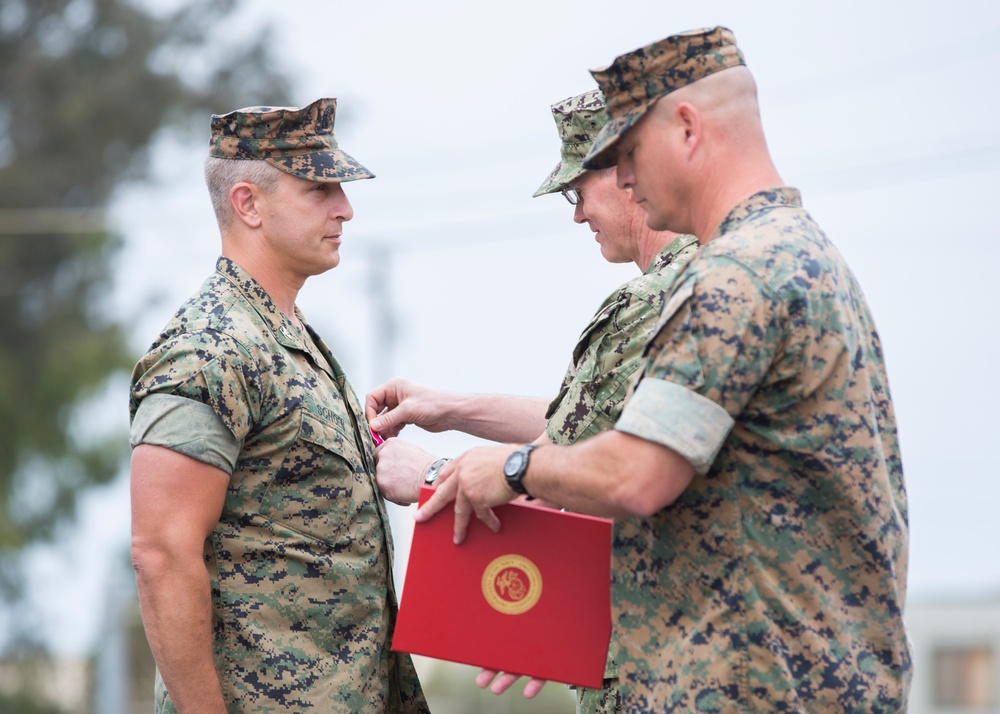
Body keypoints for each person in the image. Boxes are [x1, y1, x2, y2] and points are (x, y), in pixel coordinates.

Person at [411, 27, 912, 712]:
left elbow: (636, 474)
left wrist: (509, 469)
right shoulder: (796, 253)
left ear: (686, 128)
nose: (620, 180)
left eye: (628, 153)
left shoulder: (737, 275)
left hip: (750, 688)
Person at [367, 89, 698, 713]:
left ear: (626, 175)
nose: (576, 216)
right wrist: (449, 408)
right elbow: (583, 424)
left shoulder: (653, 301)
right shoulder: (699, 281)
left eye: (578, 192)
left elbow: (565, 464)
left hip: (659, 664)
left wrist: (431, 479)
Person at [128, 99, 428, 714]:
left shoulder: (290, 340)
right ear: (248, 203)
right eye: (320, 189)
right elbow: (161, 551)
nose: (345, 208)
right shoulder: (207, 348)